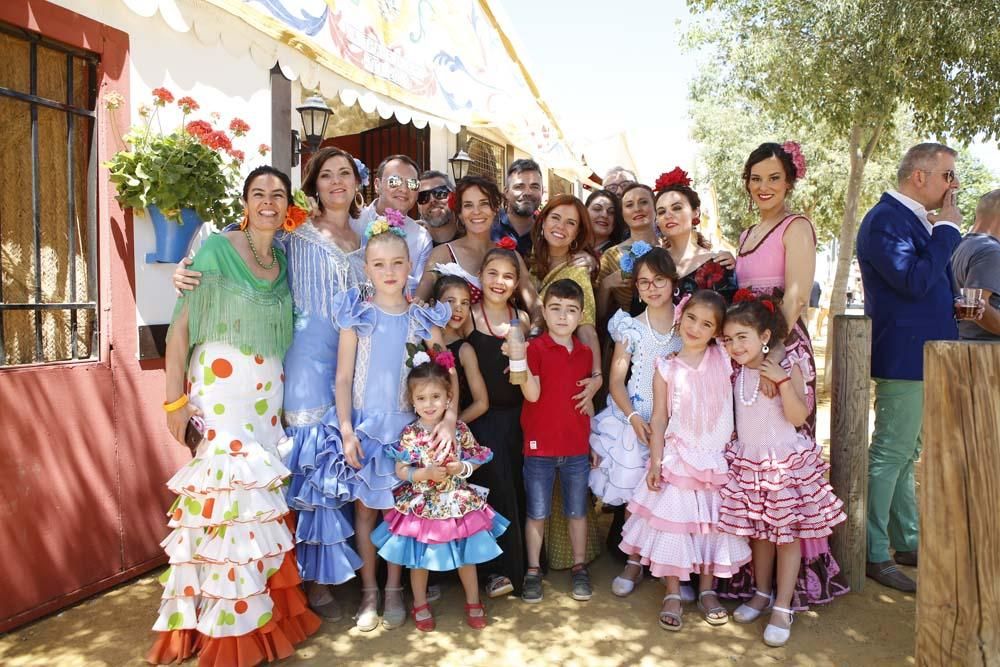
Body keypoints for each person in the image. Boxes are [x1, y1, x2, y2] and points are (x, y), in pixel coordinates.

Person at [171, 148, 368, 619]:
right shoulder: (286, 240)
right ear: (313, 186)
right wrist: (184, 272)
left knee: (313, 468)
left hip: (333, 370)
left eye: (346, 174)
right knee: (279, 469)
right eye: (327, 174)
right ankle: (277, 588)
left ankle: (313, 584)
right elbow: (198, 308)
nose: (337, 182)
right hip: (278, 371)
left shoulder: (359, 238)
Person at [149, 166, 320, 666]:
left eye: (278, 194)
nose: (268, 201)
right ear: (245, 201)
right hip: (222, 397)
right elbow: (180, 329)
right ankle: (224, 635)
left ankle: (262, 619)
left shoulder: (283, 261)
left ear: (287, 204)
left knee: (258, 510)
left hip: (267, 404)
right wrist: (174, 401)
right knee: (226, 505)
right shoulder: (217, 249)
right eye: (258, 193)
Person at [729, 141, 846, 607]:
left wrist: (769, 357)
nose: (764, 187)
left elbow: (794, 297)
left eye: (773, 178)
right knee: (755, 468)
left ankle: (788, 589)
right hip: (748, 350)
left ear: (789, 181)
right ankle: (757, 585)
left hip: (781, 349)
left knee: (785, 471)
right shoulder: (745, 234)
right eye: (756, 178)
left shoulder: (797, 227)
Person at [333, 213, 455, 631]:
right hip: (367, 429)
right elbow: (344, 377)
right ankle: (369, 591)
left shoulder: (422, 318)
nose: (389, 272)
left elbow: (446, 370)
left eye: (397, 263)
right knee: (366, 512)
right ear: (367, 268)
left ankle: (393, 588)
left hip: (409, 433)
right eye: (379, 264)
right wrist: (347, 430)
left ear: (410, 267)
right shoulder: (356, 315)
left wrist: (449, 418)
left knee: (402, 514)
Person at [856, 142, 964, 592]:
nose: (952, 185)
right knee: (889, 455)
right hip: (904, 357)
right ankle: (873, 551)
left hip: (924, 355)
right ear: (919, 176)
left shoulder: (912, 220)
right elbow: (915, 281)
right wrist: (947, 233)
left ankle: (906, 539)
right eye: (947, 176)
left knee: (905, 456)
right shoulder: (884, 220)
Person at [719, 291, 846, 648]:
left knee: (786, 536)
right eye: (729, 339)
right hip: (749, 461)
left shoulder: (786, 367)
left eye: (742, 337)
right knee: (760, 532)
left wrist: (783, 381)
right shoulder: (735, 372)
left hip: (782, 464)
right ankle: (761, 593)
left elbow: (797, 416)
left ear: (765, 337)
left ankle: (783, 605)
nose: (735, 346)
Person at [621, 290, 751, 632]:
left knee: (713, 525)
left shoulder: (723, 356)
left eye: (707, 324)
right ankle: (674, 592)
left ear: (716, 332)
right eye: (692, 318)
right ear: (681, 316)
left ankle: (707, 590)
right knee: (674, 526)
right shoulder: (665, 366)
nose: (696, 327)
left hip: (716, 459)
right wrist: (655, 461)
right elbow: (661, 417)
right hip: (679, 459)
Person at [371, 356, 508, 631]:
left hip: (457, 502)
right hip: (421, 504)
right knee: (418, 559)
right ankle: (420, 604)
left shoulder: (458, 429)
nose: (429, 404)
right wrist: (423, 474)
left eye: (436, 396)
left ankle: (473, 601)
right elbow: (401, 470)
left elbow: (478, 457)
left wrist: (462, 467)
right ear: (412, 401)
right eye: (421, 398)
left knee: (465, 555)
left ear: (449, 398)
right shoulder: (410, 433)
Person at [590, 247, 681, 582]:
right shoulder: (629, 328)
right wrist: (631, 418)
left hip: (673, 423)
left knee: (669, 492)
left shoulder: (688, 326)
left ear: (673, 281)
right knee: (635, 494)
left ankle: (666, 559)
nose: (652, 288)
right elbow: (616, 381)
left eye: (659, 280)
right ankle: (633, 560)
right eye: (644, 282)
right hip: (635, 418)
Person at [528, 194, 604, 571]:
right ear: (542, 221)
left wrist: (596, 377)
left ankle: (569, 560)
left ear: (578, 234)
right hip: (531, 375)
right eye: (555, 217)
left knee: (566, 480)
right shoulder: (531, 264)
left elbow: (587, 330)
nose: (560, 226)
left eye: (571, 223)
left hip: (563, 379)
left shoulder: (576, 272)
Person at [518, 279, 595, 604]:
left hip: (576, 448)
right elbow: (532, 394)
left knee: (577, 511)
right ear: (544, 312)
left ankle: (579, 568)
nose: (563, 317)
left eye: (571, 310)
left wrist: (593, 444)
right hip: (539, 448)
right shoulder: (533, 349)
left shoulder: (586, 354)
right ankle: (533, 570)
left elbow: (586, 404)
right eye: (556, 309)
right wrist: (517, 359)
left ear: (580, 315)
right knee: (537, 513)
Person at [465, 248, 531, 598]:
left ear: (517, 282)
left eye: (507, 275)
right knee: (491, 493)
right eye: (492, 273)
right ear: (481, 276)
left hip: (518, 419)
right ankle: (493, 571)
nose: (499, 281)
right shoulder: (468, 317)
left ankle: (519, 566)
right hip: (481, 420)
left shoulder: (522, 319)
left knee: (515, 492)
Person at [415, 175, 539, 316]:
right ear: (460, 214)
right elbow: (418, 303)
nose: (476, 211)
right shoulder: (442, 254)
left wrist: (534, 331)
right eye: (468, 205)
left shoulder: (510, 255)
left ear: (495, 208)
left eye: (484, 203)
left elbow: (535, 306)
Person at [653, 168, 737, 304]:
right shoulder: (651, 264)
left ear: (696, 212)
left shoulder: (718, 265)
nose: (668, 215)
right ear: (657, 221)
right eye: (661, 212)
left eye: (677, 208)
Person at [351, 154, 433, 288]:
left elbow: (417, 290)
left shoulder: (421, 238)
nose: (404, 189)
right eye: (395, 181)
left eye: (412, 184)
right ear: (377, 185)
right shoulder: (353, 221)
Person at [597, 183, 658, 321]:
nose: (637, 209)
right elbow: (597, 315)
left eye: (643, 202)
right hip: (628, 334)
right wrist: (606, 284)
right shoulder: (611, 256)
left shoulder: (669, 248)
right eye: (629, 205)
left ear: (655, 207)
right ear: (623, 213)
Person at [436, 275, 490, 423]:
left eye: (464, 303)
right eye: (450, 301)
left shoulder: (464, 350)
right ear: (433, 303)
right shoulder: (420, 338)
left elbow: (482, 403)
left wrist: (451, 425)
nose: (458, 308)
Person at [952, 189, 1000, 340]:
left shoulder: (961, 246)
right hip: (985, 355)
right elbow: (978, 309)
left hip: (966, 348)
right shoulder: (990, 252)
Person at [491, 158, 544, 256]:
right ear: (506, 192)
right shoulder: (489, 227)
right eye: (519, 186)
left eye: (534, 187)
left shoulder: (546, 233)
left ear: (542, 192)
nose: (527, 192)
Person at [417, 170, 460, 246]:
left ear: (454, 196)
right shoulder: (413, 245)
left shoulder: (473, 237)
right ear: (418, 207)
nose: (432, 200)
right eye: (423, 196)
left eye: (440, 192)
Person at [586, 189, 628, 256]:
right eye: (597, 209)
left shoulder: (622, 256)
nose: (604, 215)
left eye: (611, 212)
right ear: (585, 212)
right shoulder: (570, 245)